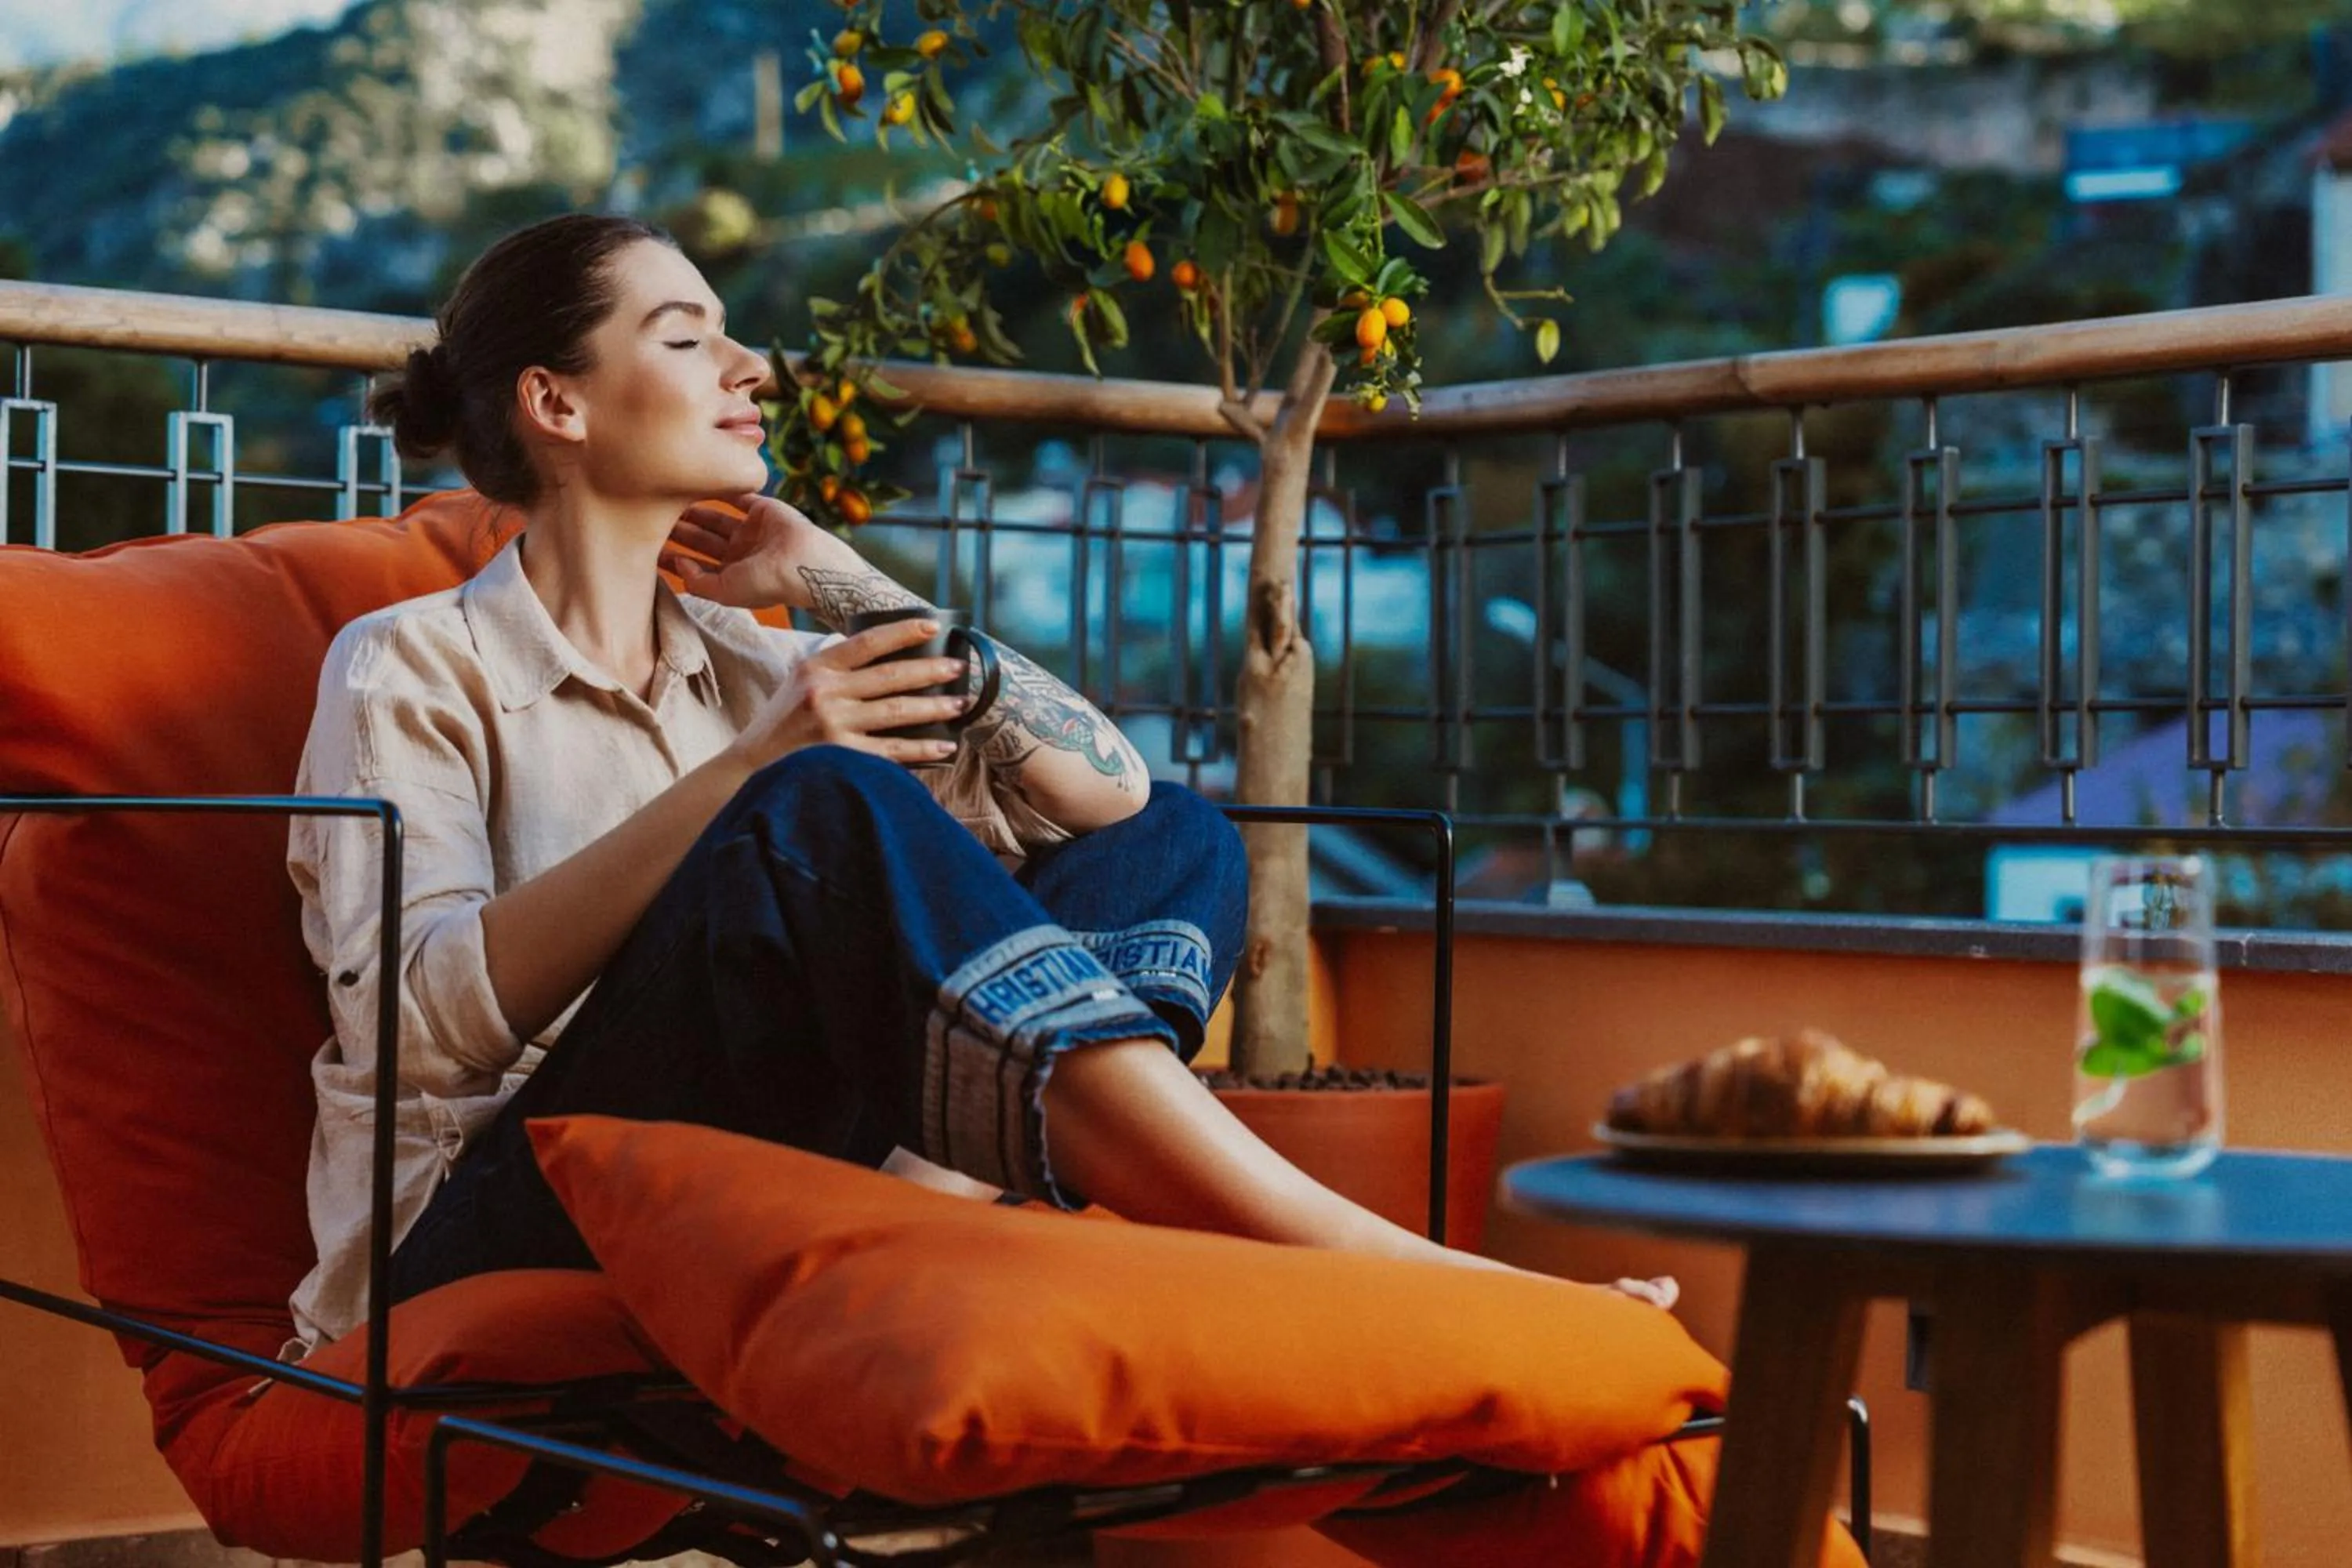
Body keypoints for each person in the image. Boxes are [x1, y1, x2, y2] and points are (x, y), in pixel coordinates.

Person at [283, 212, 1671, 1356]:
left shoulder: (757, 664)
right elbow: (414, 1026)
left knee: (1179, 828)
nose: (752, 365)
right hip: (487, 1226)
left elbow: (1114, 799)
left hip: (782, 1178)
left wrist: (844, 576)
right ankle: (1394, 1275)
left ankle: (945, 1196)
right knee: (817, 807)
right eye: (690, 337)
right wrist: (760, 777)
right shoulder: (408, 666)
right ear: (557, 402)